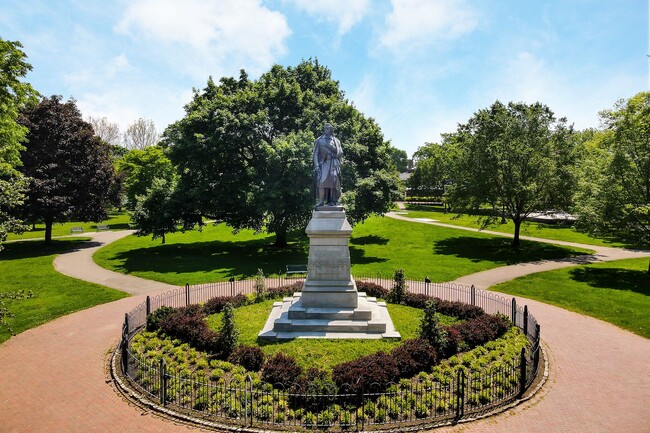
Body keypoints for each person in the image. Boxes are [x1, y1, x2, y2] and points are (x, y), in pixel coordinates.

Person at [313, 123, 343, 207]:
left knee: (333, 180)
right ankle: (321, 200)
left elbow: (340, 153)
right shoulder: (319, 140)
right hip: (324, 163)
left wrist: (331, 147)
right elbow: (315, 153)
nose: (325, 130)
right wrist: (316, 165)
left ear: (331, 130)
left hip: (334, 163)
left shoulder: (336, 141)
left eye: (327, 128)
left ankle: (332, 201)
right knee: (322, 182)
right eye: (324, 128)